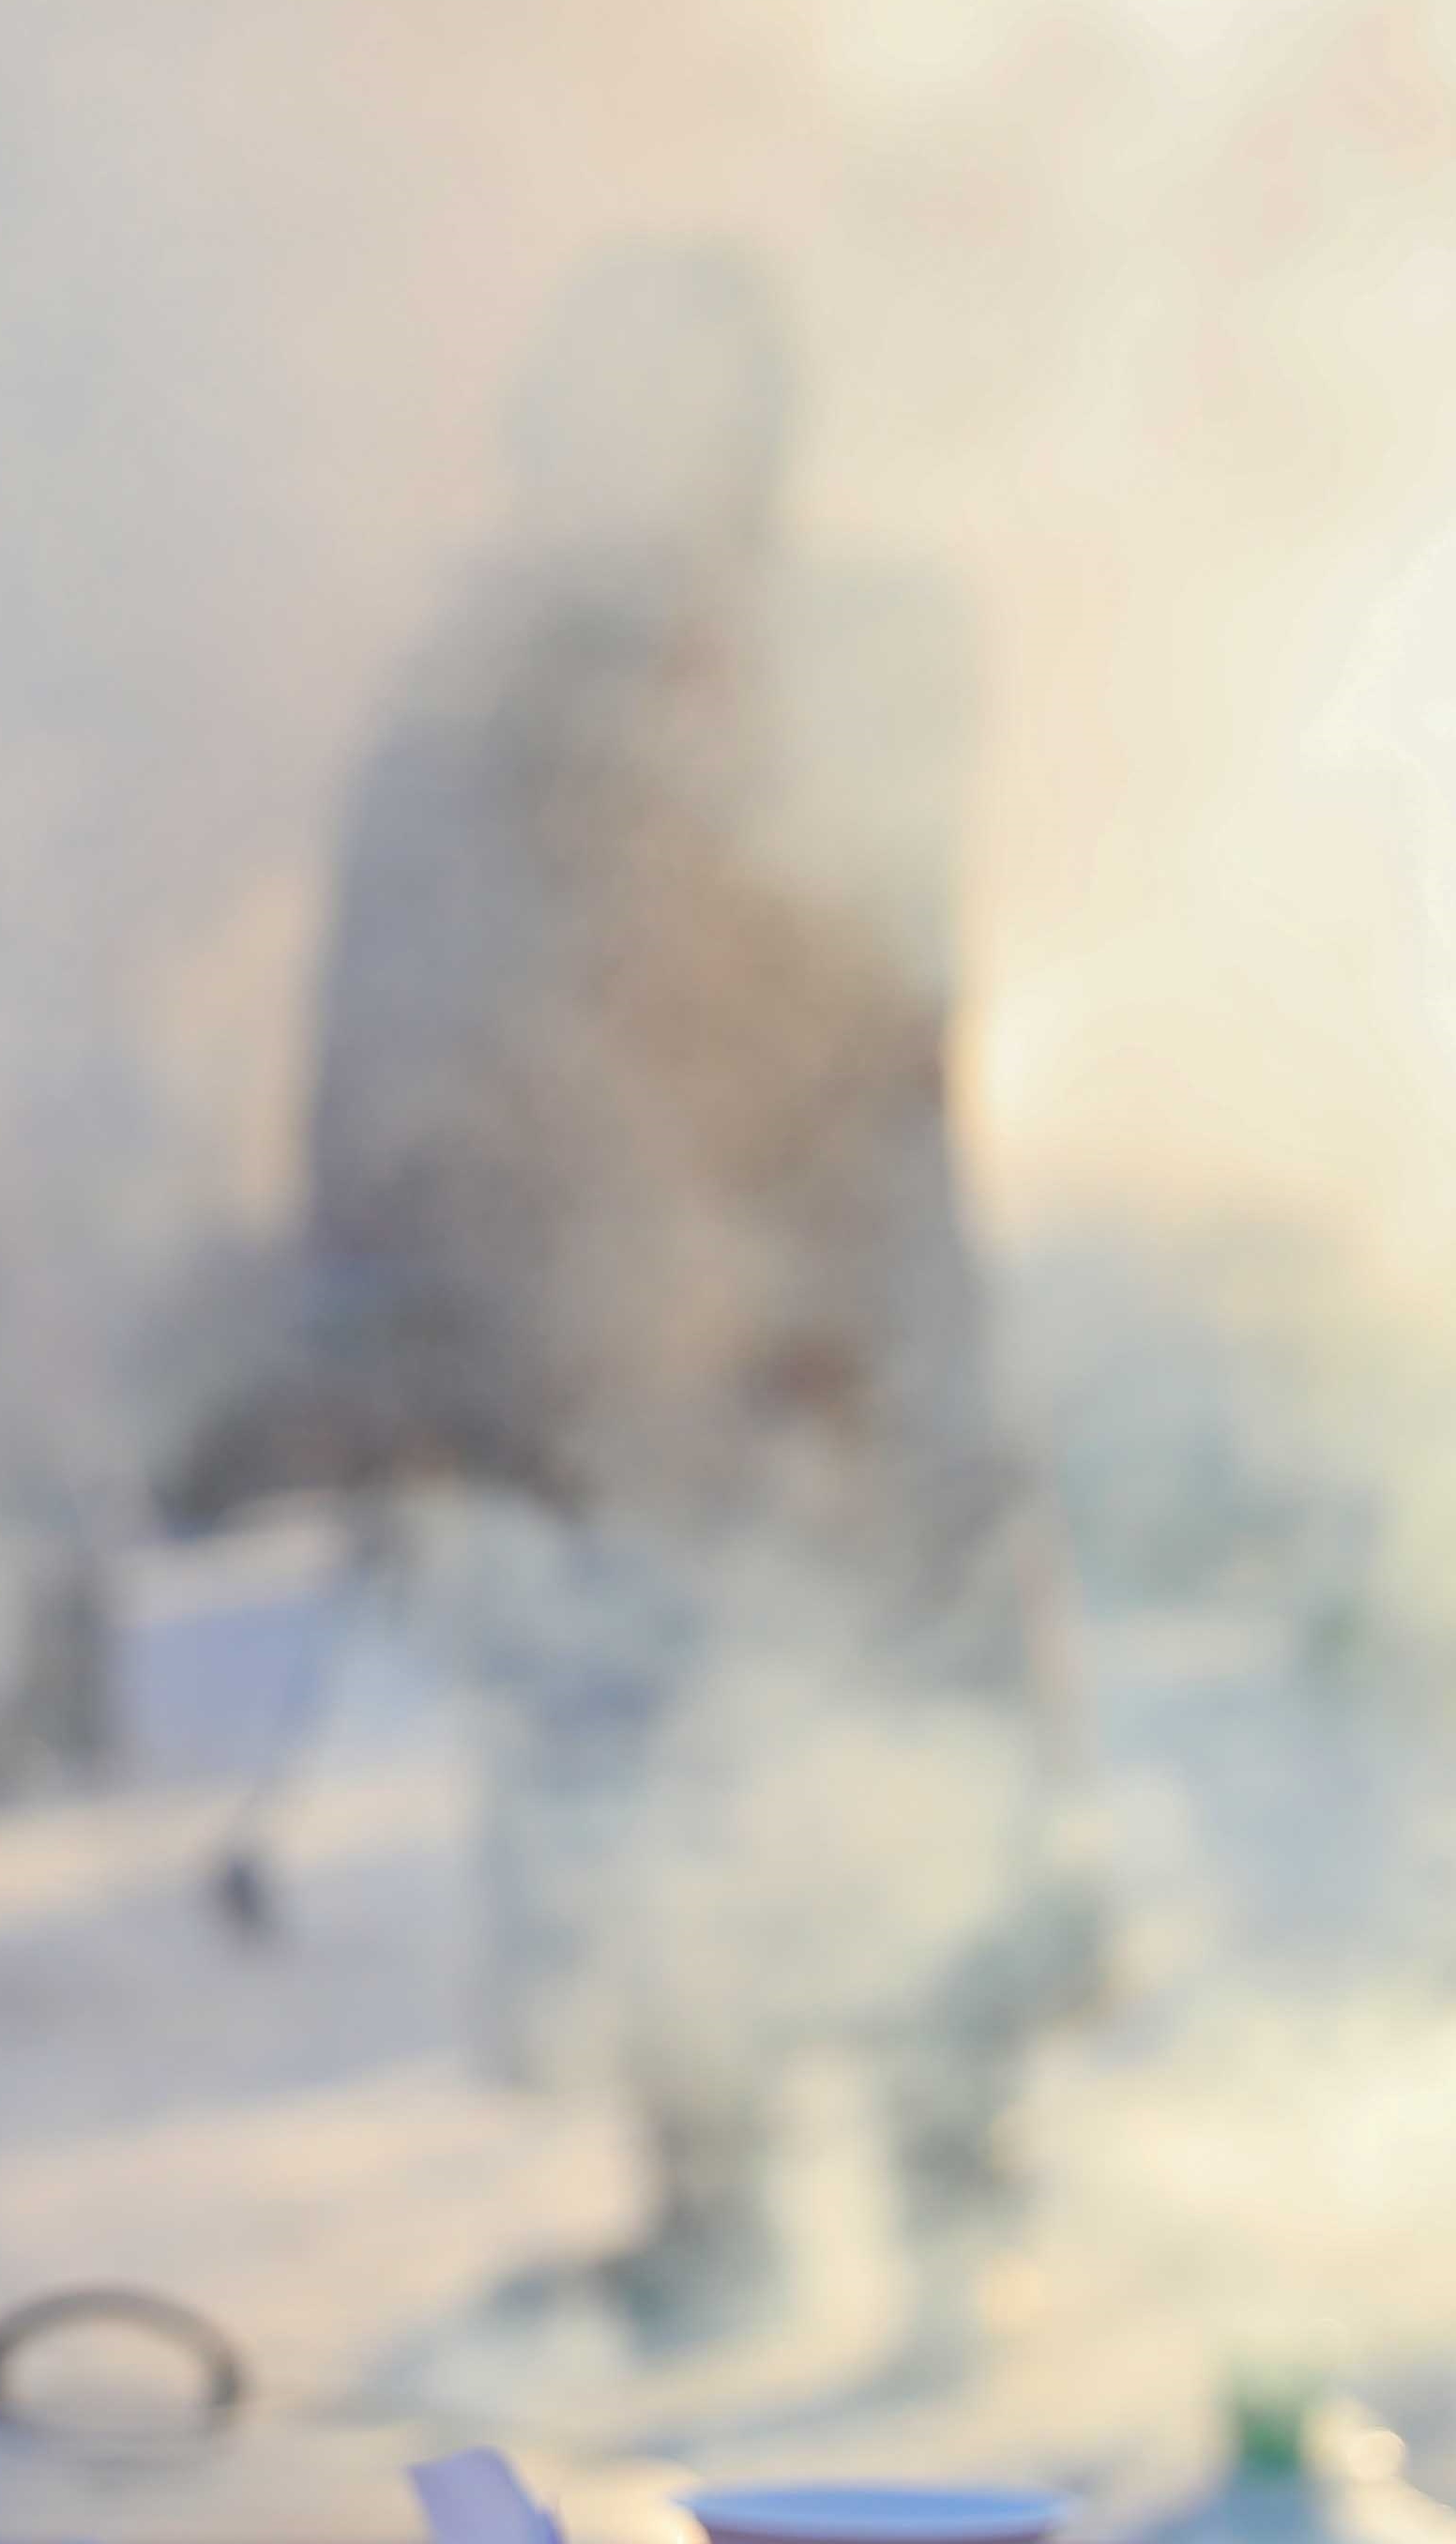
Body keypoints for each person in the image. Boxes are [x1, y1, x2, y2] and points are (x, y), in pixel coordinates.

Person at [166, 244, 1079, 2358]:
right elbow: (387, 1022)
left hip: (840, 1324)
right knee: (639, 1765)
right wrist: (387, 1315)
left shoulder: (859, 645)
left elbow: (858, 971)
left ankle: (956, 2193)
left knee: (922, 1746)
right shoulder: (467, 692)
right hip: (583, 1347)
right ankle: (706, 2210)